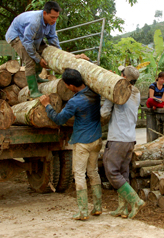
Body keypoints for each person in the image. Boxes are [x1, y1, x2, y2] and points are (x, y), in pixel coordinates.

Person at [40, 68, 102, 221]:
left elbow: (59, 119)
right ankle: (98, 207)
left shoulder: (75, 101)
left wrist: (47, 105)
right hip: (97, 139)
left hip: (82, 141)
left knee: (79, 174)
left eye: (66, 85)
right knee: (93, 172)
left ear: (71, 86)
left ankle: (82, 211)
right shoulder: (95, 93)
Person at [100, 65, 145, 219]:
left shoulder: (117, 91)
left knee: (111, 171)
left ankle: (135, 201)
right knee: (123, 173)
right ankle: (122, 208)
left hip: (117, 138)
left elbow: (104, 113)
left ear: (124, 77)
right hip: (130, 139)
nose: (119, 74)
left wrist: (106, 96)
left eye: (121, 73)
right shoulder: (137, 93)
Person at [5, 1, 62, 98]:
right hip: (17, 37)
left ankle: (36, 77)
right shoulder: (34, 22)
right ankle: (33, 91)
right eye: (52, 17)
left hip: (32, 38)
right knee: (30, 60)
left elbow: (52, 37)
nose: (54, 20)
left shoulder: (52, 21)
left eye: (56, 17)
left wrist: (60, 52)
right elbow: (27, 42)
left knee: (44, 52)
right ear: (45, 13)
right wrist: (38, 59)